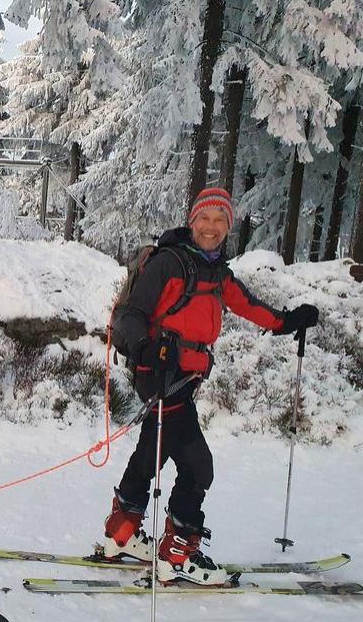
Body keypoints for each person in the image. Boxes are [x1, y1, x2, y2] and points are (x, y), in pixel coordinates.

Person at [100, 187, 319, 585]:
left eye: (221, 220)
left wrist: (288, 322)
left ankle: (122, 531)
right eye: (206, 218)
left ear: (228, 227)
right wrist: (145, 349)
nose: (212, 227)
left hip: (185, 378)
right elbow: (132, 314)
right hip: (161, 373)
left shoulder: (218, 274)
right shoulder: (168, 263)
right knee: (199, 468)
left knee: (154, 448)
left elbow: (250, 307)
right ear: (192, 220)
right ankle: (179, 552)